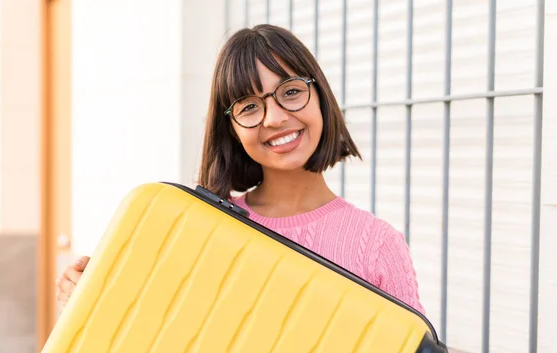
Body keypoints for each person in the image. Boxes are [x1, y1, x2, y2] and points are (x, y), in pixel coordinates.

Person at [55, 24, 425, 315]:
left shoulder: (378, 246)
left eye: (291, 91)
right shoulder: (201, 229)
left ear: (321, 96)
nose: (276, 118)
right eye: (249, 106)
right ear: (229, 128)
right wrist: (88, 296)